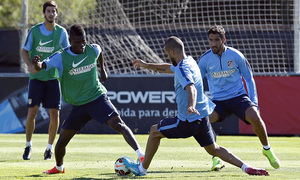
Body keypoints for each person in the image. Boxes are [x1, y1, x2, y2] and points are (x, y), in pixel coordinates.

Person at [132, 25, 280, 171]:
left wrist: (191, 105)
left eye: (216, 40)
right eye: (211, 40)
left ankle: (142, 169)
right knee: (210, 136)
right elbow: (177, 72)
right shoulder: (196, 61)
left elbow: (192, 87)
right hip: (210, 109)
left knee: (154, 132)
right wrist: (146, 65)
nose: (213, 43)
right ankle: (233, 163)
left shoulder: (232, 56)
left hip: (215, 108)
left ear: (223, 40)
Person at [32, 24, 144, 174]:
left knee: (118, 124)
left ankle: (141, 156)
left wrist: (102, 70)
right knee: (61, 144)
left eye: (84, 41)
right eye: (78, 42)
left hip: (97, 97)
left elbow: (100, 52)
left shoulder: (93, 49)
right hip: (79, 105)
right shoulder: (61, 57)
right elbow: (41, 66)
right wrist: (36, 64)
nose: (82, 45)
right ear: (70, 41)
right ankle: (59, 168)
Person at [21, 1, 70, 160]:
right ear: (44, 13)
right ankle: (28, 146)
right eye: (48, 11)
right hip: (36, 78)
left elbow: (67, 53)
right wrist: (30, 65)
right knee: (32, 111)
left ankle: (49, 149)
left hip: (53, 78)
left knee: (54, 113)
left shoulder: (61, 32)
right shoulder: (35, 31)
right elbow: (24, 51)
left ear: (57, 13)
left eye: (53, 11)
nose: (51, 14)